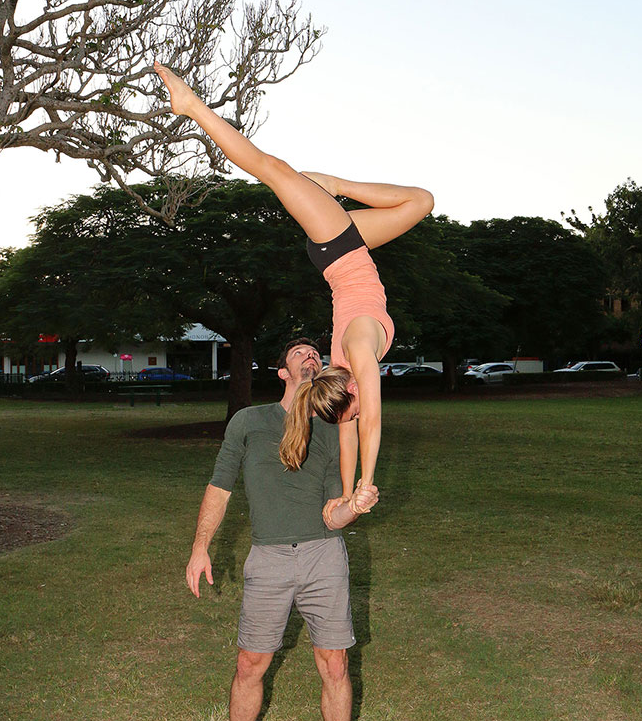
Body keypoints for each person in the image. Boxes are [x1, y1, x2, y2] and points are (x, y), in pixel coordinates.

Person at [154, 61, 433, 500]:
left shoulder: (358, 354)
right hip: (350, 248)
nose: (353, 418)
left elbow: (372, 420)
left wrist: (368, 481)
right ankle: (332, 184)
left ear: (351, 393)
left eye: (349, 412)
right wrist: (346, 493)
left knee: (271, 168)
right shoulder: (342, 373)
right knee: (420, 202)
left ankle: (191, 107)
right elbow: (349, 434)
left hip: (337, 245)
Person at [186, 338, 379, 721]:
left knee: (334, 664)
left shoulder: (334, 430)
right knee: (250, 663)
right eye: (299, 352)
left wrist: (355, 505)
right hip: (268, 558)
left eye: (316, 352)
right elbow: (219, 485)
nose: (311, 355)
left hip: (323, 555)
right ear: (281, 372)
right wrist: (200, 547)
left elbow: (332, 515)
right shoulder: (250, 422)